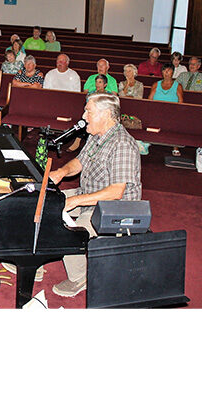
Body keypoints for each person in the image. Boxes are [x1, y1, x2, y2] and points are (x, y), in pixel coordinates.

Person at [46, 93, 141, 298]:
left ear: (106, 114)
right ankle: (34, 261)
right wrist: (62, 172)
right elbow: (79, 162)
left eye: (88, 111)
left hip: (117, 207)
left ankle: (80, 276)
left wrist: (75, 201)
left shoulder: (122, 144)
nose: (83, 116)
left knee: (73, 230)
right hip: (90, 193)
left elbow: (116, 192)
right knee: (48, 203)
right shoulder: (96, 135)